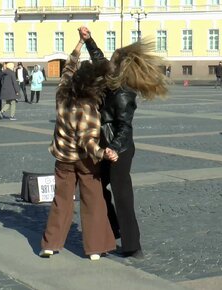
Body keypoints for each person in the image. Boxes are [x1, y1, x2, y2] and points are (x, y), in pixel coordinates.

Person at [83, 26, 168, 258]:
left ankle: (133, 245)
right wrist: (90, 41)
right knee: (95, 188)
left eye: (113, 58)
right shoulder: (109, 81)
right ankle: (114, 227)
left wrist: (113, 149)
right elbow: (99, 59)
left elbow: (124, 127)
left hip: (119, 149)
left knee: (122, 196)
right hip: (104, 146)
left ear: (119, 65)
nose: (109, 59)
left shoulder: (123, 93)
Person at [40, 29, 117, 261]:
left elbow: (68, 69)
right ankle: (94, 248)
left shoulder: (62, 93)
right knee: (92, 201)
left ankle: (50, 244)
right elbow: (87, 140)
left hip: (62, 158)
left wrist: (79, 44)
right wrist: (105, 153)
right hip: (84, 160)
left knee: (61, 201)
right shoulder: (88, 105)